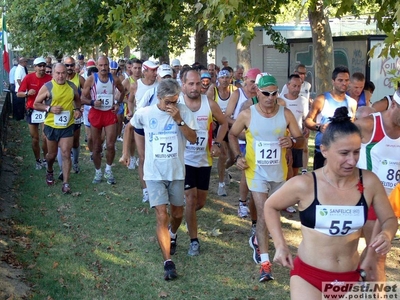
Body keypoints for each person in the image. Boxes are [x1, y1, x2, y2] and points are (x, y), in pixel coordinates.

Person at [264, 106, 397, 299]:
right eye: (344, 153)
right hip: (308, 276)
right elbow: (270, 205)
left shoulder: (369, 182)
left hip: (350, 277)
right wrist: (280, 245)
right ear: (324, 151)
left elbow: (389, 219)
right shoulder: (305, 184)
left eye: (356, 152)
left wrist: (386, 234)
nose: (352, 161)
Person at [229, 74, 304, 282]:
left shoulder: (286, 114)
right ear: (257, 93)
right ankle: (265, 263)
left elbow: (300, 140)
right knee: (263, 213)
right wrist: (237, 156)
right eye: (265, 93)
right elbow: (232, 134)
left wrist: (292, 141)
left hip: (279, 173)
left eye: (274, 93)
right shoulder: (247, 114)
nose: (270, 98)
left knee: (274, 214)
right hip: (256, 171)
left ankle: (257, 239)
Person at [120, 79, 197, 280]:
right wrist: (125, 152)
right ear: (159, 98)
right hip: (154, 173)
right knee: (162, 215)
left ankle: (172, 233)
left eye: (175, 100)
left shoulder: (184, 112)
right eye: (169, 101)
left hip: (176, 172)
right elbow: (129, 127)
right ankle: (168, 262)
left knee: (177, 213)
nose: (172, 104)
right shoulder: (146, 113)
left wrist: (179, 120)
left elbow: (194, 139)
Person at [180, 69, 228, 256]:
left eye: (197, 83)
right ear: (183, 85)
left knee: (199, 203)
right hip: (184, 160)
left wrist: (216, 142)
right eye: (190, 84)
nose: (194, 87)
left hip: (204, 160)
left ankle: (179, 217)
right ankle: (194, 241)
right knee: (190, 200)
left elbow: (223, 123)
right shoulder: (177, 104)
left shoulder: (209, 104)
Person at [356, 90, 400, 282]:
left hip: (393, 201)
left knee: (373, 254)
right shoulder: (368, 125)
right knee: (378, 256)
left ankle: (355, 283)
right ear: (393, 104)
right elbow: (337, 147)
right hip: (368, 198)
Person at [33, 63, 82, 194]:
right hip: (51, 126)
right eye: (58, 73)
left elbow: (78, 100)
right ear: (53, 74)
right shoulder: (47, 87)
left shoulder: (72, 86)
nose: (60, 76)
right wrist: (49, 108)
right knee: (51, 155)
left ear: (67, 74)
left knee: (66, 152)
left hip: (67, 125)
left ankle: (66, 183)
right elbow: (36, 104)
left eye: (63, 73)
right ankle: (49, 170)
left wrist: (77, 109)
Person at [81, 56, 126, 184]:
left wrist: (118, 103)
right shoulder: (91, 79)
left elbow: (123, 91)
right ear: (97, 66)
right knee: (96, 146)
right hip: (96, 113)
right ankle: (98, 171)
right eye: (100, 65)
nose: (103, 68)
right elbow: (82, 98)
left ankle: (108, 169)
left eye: (105, 65)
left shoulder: (114, 79)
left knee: (111, 145)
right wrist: (92, 102)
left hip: (109, 113)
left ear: (109, 66)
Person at [225, 67, 261, 218]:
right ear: (246, 79)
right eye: (252, 82)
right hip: (240, 135)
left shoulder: (263, 96)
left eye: (257, 83)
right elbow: (226, 117)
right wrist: (242, 124)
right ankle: (242, 203)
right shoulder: (237, 94)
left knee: (253, 171)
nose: (254, 86)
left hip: (257, 139)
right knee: (242, 167)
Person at [305, 66, 357, 170]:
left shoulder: (352, 102)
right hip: (323, 150)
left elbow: (352, 124)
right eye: (340, 80)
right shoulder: (322, 99)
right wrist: (319, 127)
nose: (344, 83)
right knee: (321, 183)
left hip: (344, 151)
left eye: (346, 80)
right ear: (333, 81)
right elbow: (308, 120)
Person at [127, 60, 159, 201]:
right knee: (143, 157)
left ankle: (157, 187)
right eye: (151, 70)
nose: (154, 73)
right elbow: (130, 100)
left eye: (155, 70)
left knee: (157, 158)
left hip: (156, 126)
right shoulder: (136, 85)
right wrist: (130, 111)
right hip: (140, 126)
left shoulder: (160, 85)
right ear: (145, 72)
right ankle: (145, 190)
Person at [17, 57, 52, 169]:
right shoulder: (28, 78)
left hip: (45, 110)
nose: (42, 68)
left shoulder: (50, 79)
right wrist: (27, 93)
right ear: (35, 67)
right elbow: (19, 93)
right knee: (35, 138)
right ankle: (37, 160)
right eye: (40, 66)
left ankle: (46, 159)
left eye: (44, 66)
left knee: (45, 137)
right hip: (32, 111)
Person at [207, 69, 237, 196]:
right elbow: (206, 105)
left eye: (227, 78)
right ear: (218, 79)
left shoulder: (234, 90)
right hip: (217, 124)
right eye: (222, 78)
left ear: (231, 79)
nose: (224, 80)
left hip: (230, 123)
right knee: (223, 154)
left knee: (234, 157)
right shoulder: (213, 91)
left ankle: (223, 171)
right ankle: (221, 185)